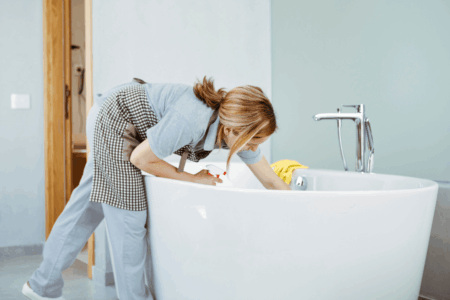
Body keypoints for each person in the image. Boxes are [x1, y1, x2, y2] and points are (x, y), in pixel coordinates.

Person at [22, 76, 290, 300]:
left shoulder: (231, 128)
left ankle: (42, 284)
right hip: (116, 121)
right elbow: (141, 158)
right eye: (253, 141)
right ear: (234, 130)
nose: (254, 149)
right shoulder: (193, 119)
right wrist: (193, 178)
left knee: (88, 207)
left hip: (115, 116)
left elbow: (269, 179)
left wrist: (300, 207)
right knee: (130, 219)